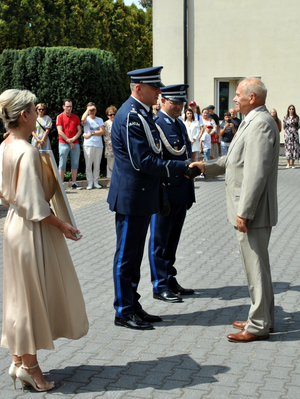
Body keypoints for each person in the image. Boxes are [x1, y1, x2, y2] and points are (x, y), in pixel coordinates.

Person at [0, 89, 88, 391]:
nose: (39, 115)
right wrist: (62, 224)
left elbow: (10, 195)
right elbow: (35, 206)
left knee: (17, 297)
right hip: (29, 229)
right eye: (34, 111)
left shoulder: (4, 145)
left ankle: (17, 360)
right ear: (24, 115)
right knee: (29, 301)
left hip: (13, 225)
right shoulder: (25, 150)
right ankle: (31, 367)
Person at [107, 66, 198, 330]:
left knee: (133, 257)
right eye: (154, 87)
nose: (159, 91)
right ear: (138, 88)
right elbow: (142, 161)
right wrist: (181, 167)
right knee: (126, 257)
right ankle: (123, 311)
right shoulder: (130, 116)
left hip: (142, 197)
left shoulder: (142, 114)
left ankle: (133, 305)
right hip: (132, 197)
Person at [192, 78, 280, 343]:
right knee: (256, 267)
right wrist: (207, 167)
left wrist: (246, 211)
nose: (233, 99)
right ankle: (262, 316)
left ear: (252, 97)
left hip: (252, 211)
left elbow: (256, 173)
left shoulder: (261, 123)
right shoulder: (252, 120)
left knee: (256, 267)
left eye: (238, 94)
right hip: (248, 209)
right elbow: (235, 161)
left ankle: (258, 325)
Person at [149, 85, 195, 303]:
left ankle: (169, 277)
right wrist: (162, 195)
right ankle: (159, 285)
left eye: (181, 103)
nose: (179, 107)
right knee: (159, 241)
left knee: (172, 239)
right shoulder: (157, 125)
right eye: (175, 102)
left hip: (181, 191)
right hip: (166, 191)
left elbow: (185, 155)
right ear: (163, 101)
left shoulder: (177, 124)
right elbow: (156, 164)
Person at [56, 99, 82, 189]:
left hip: (75, 143)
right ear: (63, 106)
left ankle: (74, 183)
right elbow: (60, 131)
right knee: (62, 164)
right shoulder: (59, 117)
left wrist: (73, 139)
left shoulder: (75, 117)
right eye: (67, 106)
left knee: (75, 164)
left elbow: (79, 131)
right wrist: (69, 141)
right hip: (63, 143)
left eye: (70, 106)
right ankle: (61, 184)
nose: (69, 108)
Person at [81, 102, 105, 190]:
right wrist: (88, 109)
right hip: (88, 144)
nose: (92, 111)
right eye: (90, 110)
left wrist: (91, 133)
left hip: (98, 145)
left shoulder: (100, 119)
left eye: (93, 109)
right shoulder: (86, 119)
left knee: (97, 165)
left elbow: (102, 131)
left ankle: (96, 182)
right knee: (88, 165)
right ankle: (90, 183)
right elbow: (82, 119)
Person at [104, 105, 117, 188]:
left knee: (117, 163)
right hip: (109, 147)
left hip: (118, 147)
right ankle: (109, 180)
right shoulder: (105, 124)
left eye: (113, 114)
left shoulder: (118, 122)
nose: (112, 116)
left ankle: (117, 180)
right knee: (109, 164)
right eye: (110, 114)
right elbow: (105, 135)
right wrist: (110, 142)